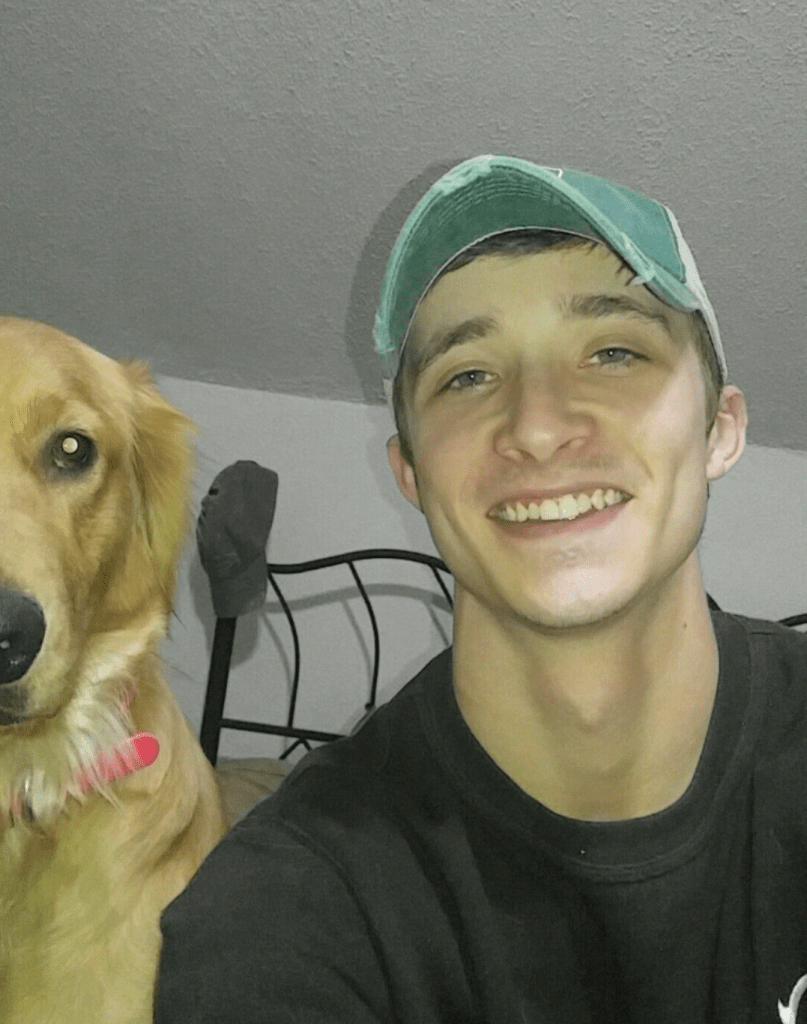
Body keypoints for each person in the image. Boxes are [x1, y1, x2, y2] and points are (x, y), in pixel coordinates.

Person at [154, 156, 807, 1024]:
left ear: (720, 428)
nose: (536, 425)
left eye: (613, 352)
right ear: (412, 472)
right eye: (467, 376)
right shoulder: (292, 904)